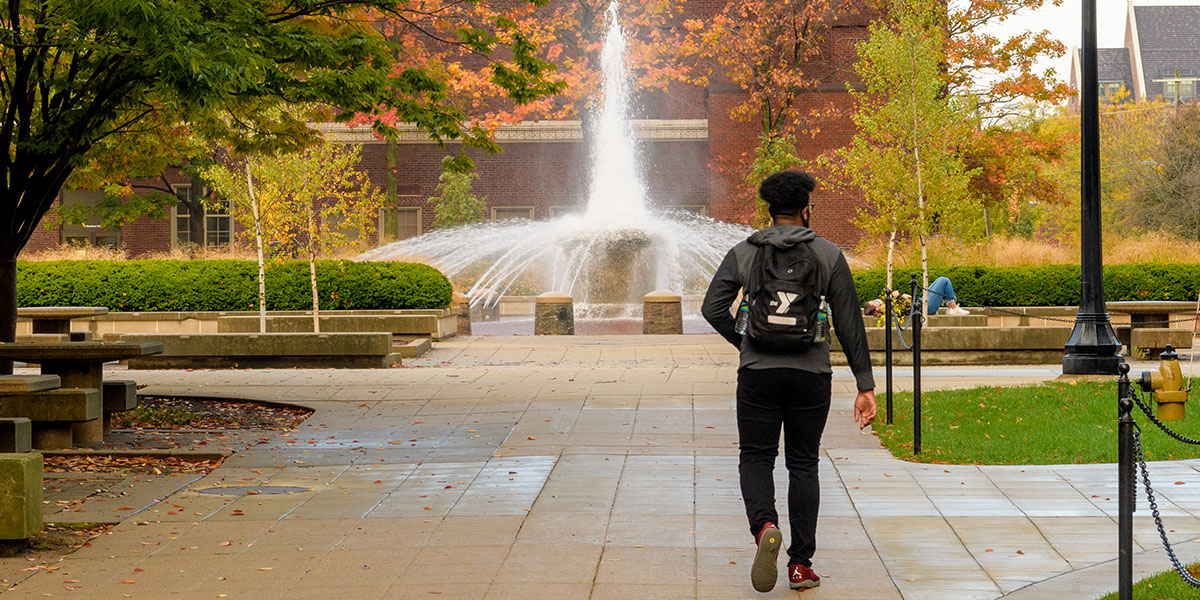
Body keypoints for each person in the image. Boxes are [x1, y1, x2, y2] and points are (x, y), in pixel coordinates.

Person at [701, 171, 876, 593]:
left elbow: (713, 307)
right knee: (803, 463)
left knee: (756, 457)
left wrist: (745, 340)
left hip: (758, 372)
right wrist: (864, 384)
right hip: (810, 373)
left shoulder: (746, 250)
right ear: (805, 208)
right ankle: (801, 565)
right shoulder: (829, 253)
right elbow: (850, 322)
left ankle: (764, 527)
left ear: (768, 210)